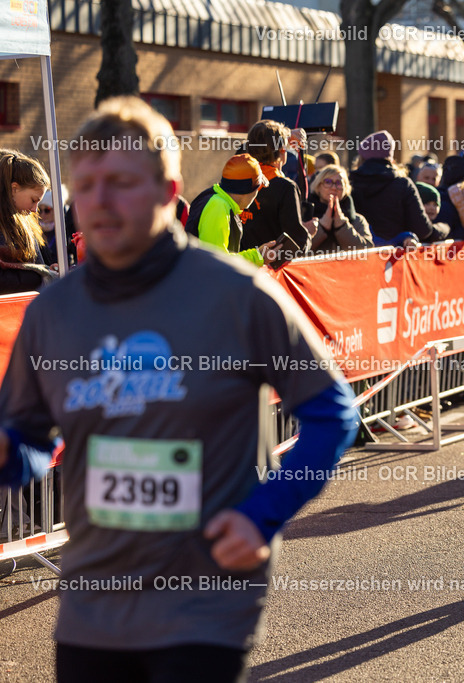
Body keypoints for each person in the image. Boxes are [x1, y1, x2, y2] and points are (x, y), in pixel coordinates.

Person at [0, 97, 359, 683]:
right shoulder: (55, 309)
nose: (98, 201)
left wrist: (262, 515)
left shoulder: (236, 294)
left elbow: (331, 412)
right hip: (94, 602)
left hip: (204, 599)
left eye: (120, 182)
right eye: (85, 186)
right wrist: (9, 453)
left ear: (169, 193)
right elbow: (31, 442)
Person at [350, 130, 449, 245]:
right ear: (390, 157)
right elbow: (423, 230)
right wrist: (444, 228)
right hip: (395, 257)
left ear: (361, 157)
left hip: (357, 257)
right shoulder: (403, 185)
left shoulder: (350, 184)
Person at [238, 119, 317, 255]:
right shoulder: (285, 187)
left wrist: (284, 135)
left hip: (240, 264)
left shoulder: (237, 178)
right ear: (282, 150)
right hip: (270, 270)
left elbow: (244, 150)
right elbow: (297, 244)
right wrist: (308, 234)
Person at [185, 153, 277, 266]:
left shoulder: (218, 199)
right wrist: (257, 256)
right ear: (249, 190)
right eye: (258, 188)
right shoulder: (218, 206)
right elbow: (216, 262)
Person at [0, 149, 56, 293]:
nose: (34, 210)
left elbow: (40, 262)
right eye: (33, 200)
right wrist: (40, 275)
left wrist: (50, 269)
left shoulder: (26, 223)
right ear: (14, 189)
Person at [308, 164, 374, 253]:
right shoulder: (306, 217)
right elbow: (298, 250)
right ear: (318, 186)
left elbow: (368, 252)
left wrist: (342, 226)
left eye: (339, 183)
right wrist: (322, 227)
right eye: (328, 182)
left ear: (346, 188)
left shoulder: (357, 220)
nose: (334, 187)